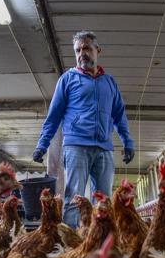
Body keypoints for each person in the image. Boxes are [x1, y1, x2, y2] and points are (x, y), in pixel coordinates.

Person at [32, 30, 134, 228]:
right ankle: (71, 242)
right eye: (77, 50)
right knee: (74, 197)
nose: (82, 54)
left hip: (104, 148)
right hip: (76, 146)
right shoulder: (67, 80)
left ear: (97, 50)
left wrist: (128, 142)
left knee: (103, 200)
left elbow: (119, 116)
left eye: (86, 48)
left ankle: (101, 241)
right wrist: (42, 145)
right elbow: (53, 116)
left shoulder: (109, 83)